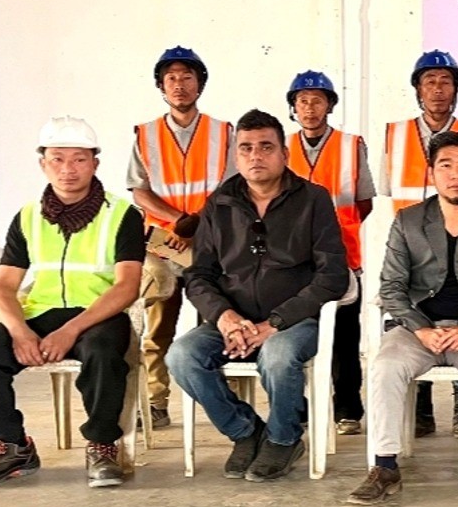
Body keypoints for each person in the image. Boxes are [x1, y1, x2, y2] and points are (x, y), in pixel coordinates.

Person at [0, 116, 143, 488]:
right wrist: (20, 332)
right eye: (57, 159)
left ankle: (102, 445)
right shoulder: (27, 217)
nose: (67, 169)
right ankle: (12, 446)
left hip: (98, 315)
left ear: (95, 163)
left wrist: (71, 330)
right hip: (40, 312)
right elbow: (4, 286)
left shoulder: (122, 215)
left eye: (79, 159)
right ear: (43, 164)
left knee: (104, 351)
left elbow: (127, 286)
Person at [166, 109, 349, 482]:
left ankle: (283, 439)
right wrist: (225, 317)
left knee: (278, 355)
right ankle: (246, 432)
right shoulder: (219, 203)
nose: (256, 156)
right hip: (233, 322)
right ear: (236, 156)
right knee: (182, 356)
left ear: (285, 154)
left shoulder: (313, 199)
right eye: (246, 148)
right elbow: (198, 275)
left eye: (266, 147)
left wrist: (275, 323)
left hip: (295, 322)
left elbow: (332, 276)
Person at [347, 131, 458, 505]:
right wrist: (421, 329)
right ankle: (385, 466)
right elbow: (391, 287)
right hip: (416, 329)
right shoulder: (408, 221)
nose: (456, 174)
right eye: (446, 165)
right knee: (384, 367)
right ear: (431, 173)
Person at [128, 46, 234, 429]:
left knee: (219, 323)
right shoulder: (146, 135)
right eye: (171, 78)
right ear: (161, 86)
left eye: (187, 77)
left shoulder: (224, 133)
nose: (179, 84)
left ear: (199, 84)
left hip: (213, 244)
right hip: (163, 244)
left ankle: (223, 401)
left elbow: (232, 188)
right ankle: (156, 402)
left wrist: (200, 226)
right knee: (158, 328)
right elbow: (139, 190)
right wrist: (179, 221)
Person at [383, 49, 458, 438]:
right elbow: (384, 195)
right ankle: (421, 410)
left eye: (446, 82)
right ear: (418, 89)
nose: (438, 89)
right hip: (412, 252)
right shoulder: (394, 134)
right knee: (414, 320)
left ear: (456, 89)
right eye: (430, 82)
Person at [284, 70, 375, 436]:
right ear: (293, 107)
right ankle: (297, 407)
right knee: (291, 334)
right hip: (292, 262)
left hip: (343, 258)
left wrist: (337, 232)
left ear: (330, 105)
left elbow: (364, 202)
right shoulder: (281, 147)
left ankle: (348, 409)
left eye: (317, 101)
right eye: (302, 101)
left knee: (346, 338)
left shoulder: (351, 145)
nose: (310, 108)